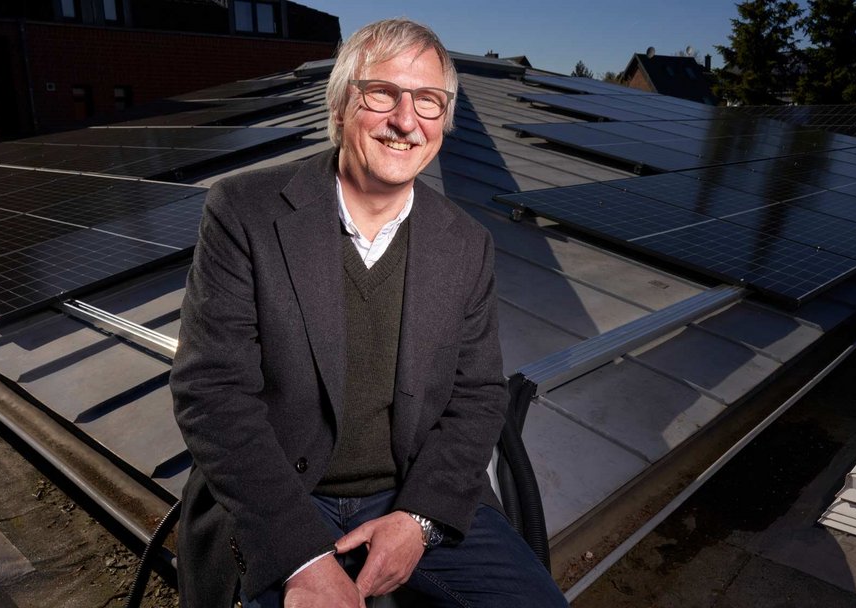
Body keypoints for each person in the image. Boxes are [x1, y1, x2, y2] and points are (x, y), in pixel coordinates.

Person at [171, 17, 567, 608]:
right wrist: (301, 557)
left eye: (429, 102)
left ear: (444, 121)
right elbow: (212, 392)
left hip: (411, 492)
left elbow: (478, 395)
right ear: (340, 106)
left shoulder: (467, 243)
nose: (406, 121)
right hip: (281, 495)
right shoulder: (244, 212)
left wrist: (420, 520)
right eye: (382, 93)